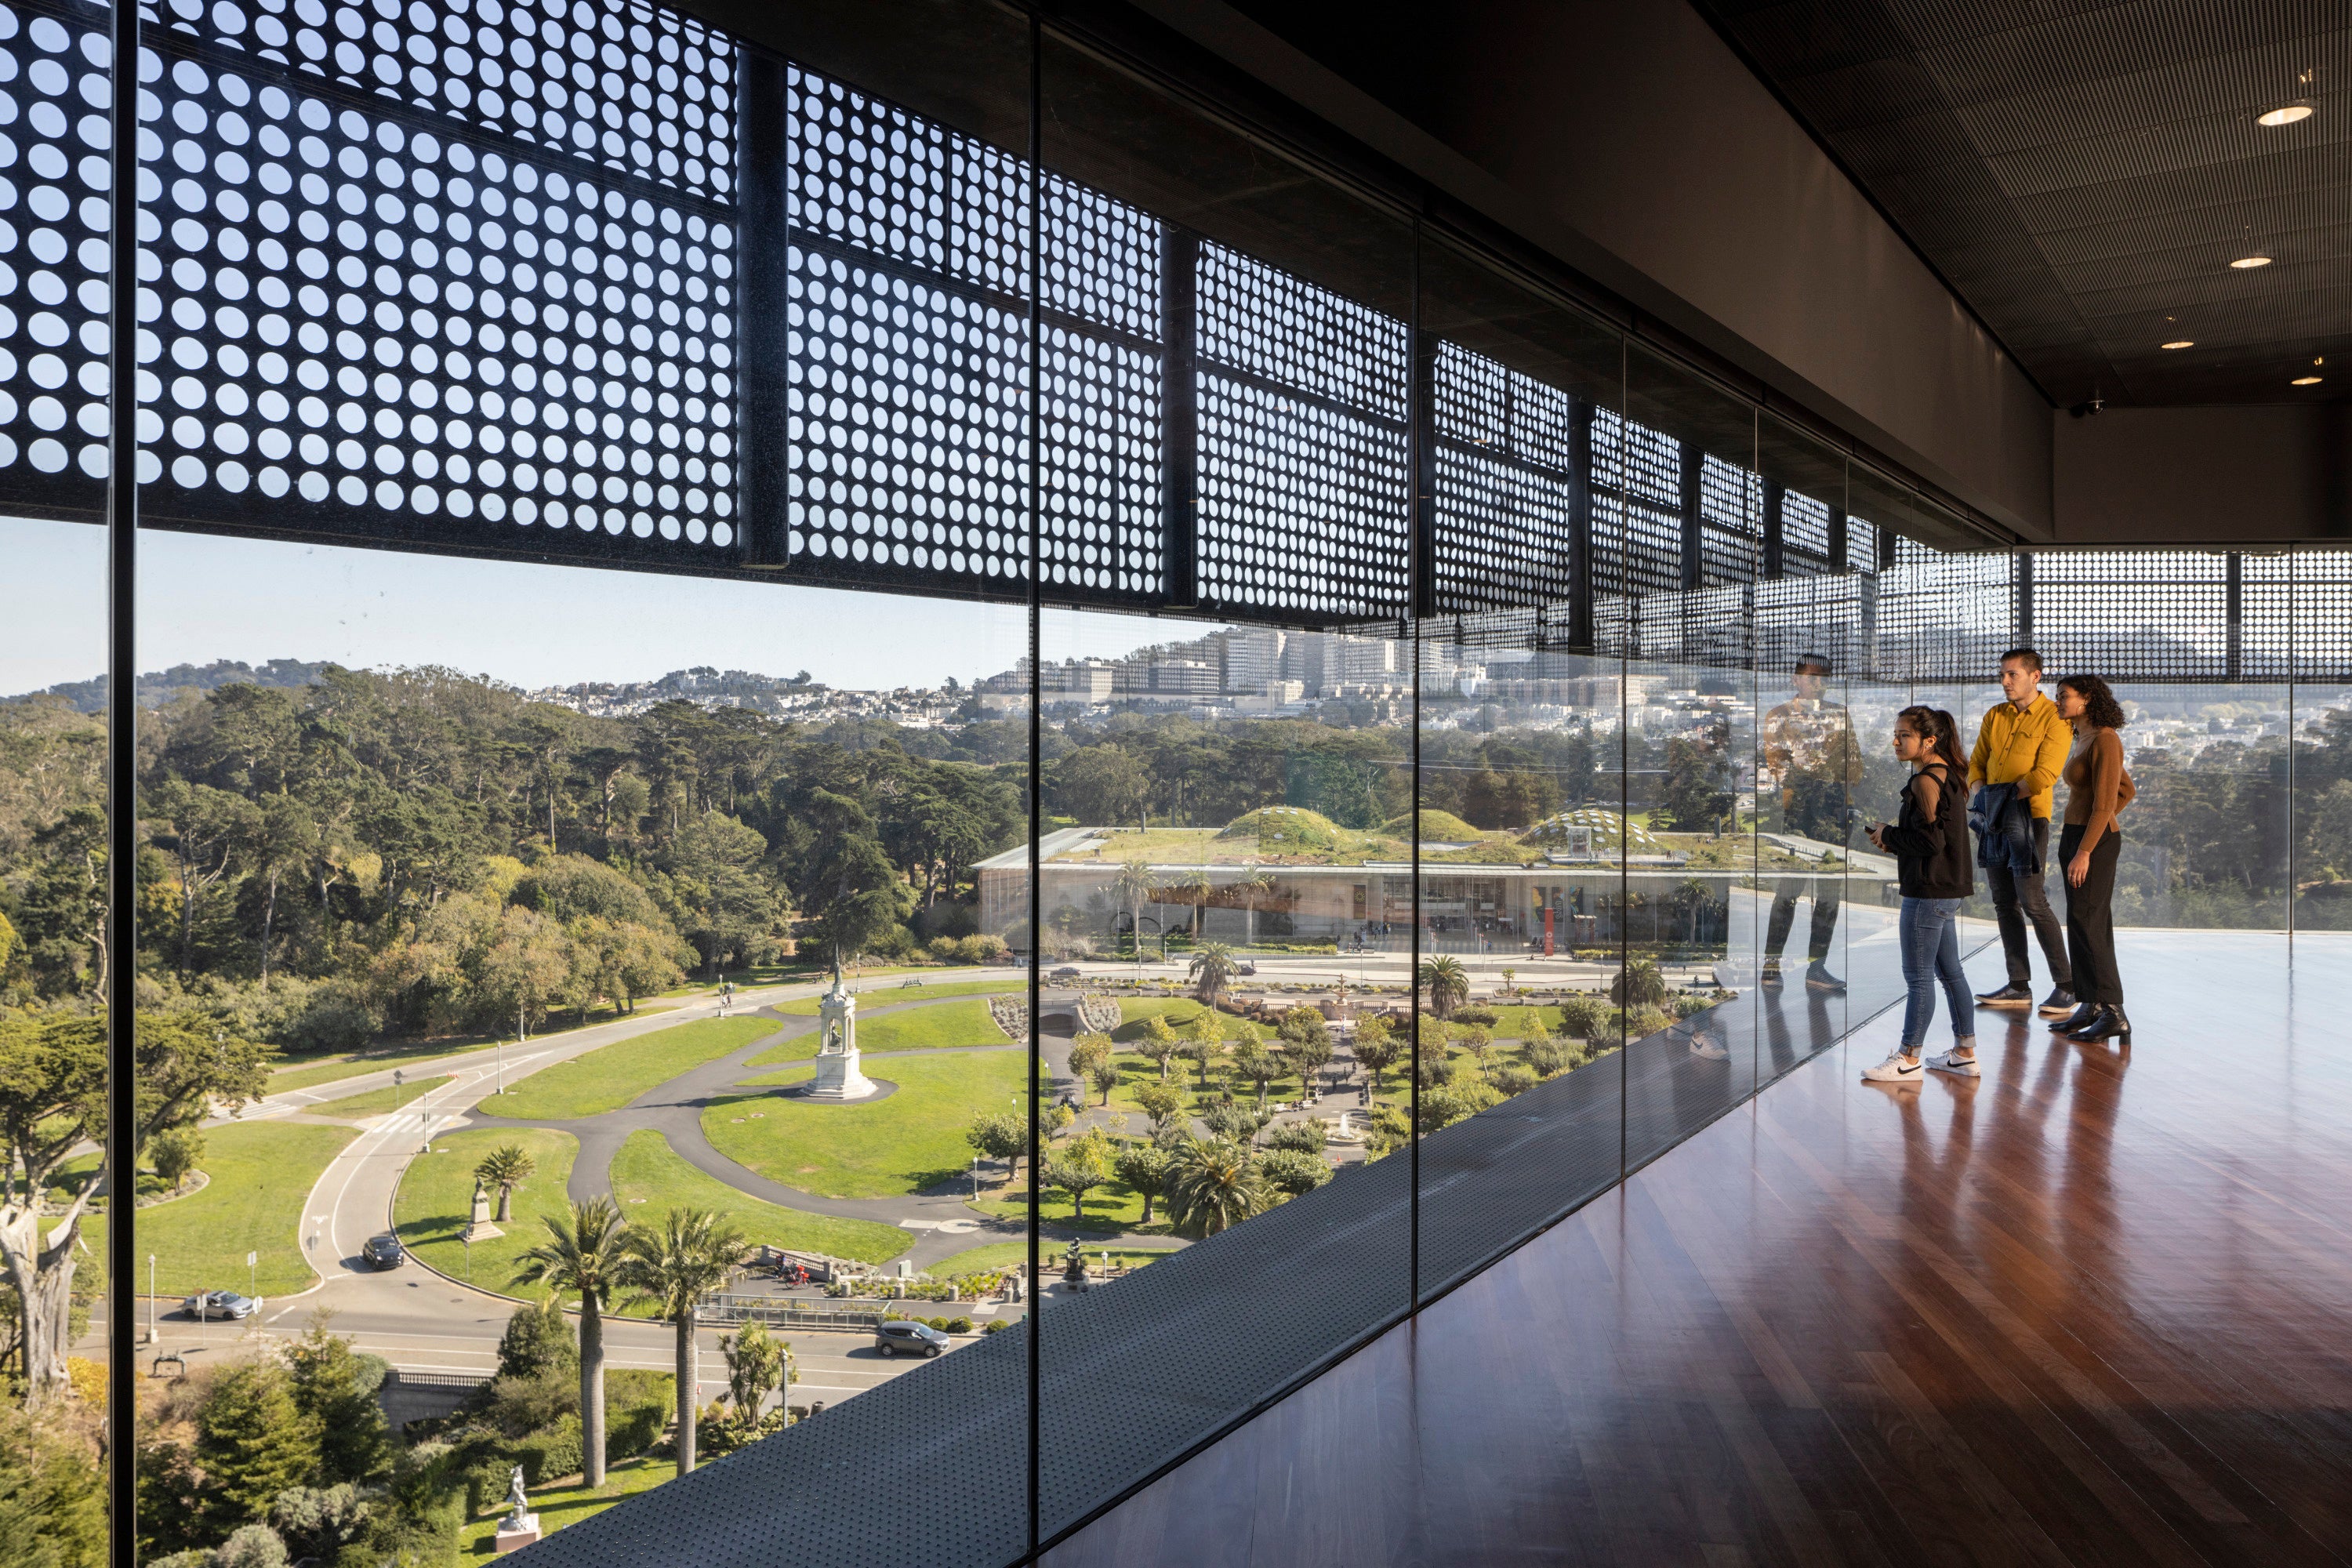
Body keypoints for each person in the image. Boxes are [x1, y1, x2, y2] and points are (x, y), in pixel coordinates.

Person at [1860, 706, 1978, 1083]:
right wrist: (1892, 836)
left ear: (1929, 741)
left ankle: (1908, 1059)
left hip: (1926, 892)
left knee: (1919, 978)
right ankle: (1964, 1053)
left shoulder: (1925, 780)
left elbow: (1930, 841)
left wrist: (1889, 835)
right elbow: (1938, 839)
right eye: (1895, 734)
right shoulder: (1952, 775)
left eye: (1904, 735)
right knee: (1950, 973)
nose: (1896, 741)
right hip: (1946, 889)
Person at [1967, 648, 2077, 1018]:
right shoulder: (1994, 715)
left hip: (2027, 818)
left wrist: (2000, 798)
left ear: (2036, 676)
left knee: (2032, 900)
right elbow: (1976, 763)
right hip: (1991, 816)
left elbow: (2045, 775)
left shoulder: (2055, 718)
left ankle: (2066, 985)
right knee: (2003, 901)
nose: (2005, 681)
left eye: (2012, 674)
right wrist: (1983, 796)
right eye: (2003, 674)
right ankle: (2018, 985)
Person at [1759, 652, 1864, 993]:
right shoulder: (1778, 716)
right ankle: (1771, 966)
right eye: (1810, 676)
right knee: (1789, 891)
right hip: (1799, 810)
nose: (1817, 683)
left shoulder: (1840, 713)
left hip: (1835, 809)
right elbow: (1779, 767)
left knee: (1830, 894)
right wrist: (1821, 773)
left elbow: (1855, 765)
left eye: (1823, 677)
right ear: (1795, 680)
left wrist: (1828, 779)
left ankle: (1816, 968)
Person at [2050, 674, 2134, 1044]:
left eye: (2063, 696)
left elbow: (2106, 803)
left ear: (2086, 700)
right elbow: (2126, 789)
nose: (2058, 701)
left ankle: (2114, 1012)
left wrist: (2087, 848)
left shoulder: (2106, 739)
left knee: (2089, 923)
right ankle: (2092, 1004)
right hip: (2076, 835)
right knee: (2082, 922)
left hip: (2093, 843)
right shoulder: (2081, 737)